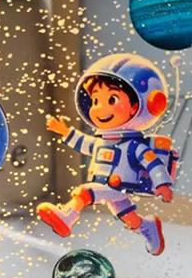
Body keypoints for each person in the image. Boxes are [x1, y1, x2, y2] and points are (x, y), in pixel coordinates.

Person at [37, 53, 178, 256]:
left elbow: (153, 163)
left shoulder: (134, 146)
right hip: (111, 190)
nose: (100, 108)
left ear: (136, 107)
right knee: (129, 218)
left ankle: (68, 215)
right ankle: (147, 228)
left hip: (116, 186)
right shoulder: (103, 142)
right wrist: (65, 131)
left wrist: (162, 184)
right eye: (95, 100)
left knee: (85, 192)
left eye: (112, 99)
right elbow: (85, 143)